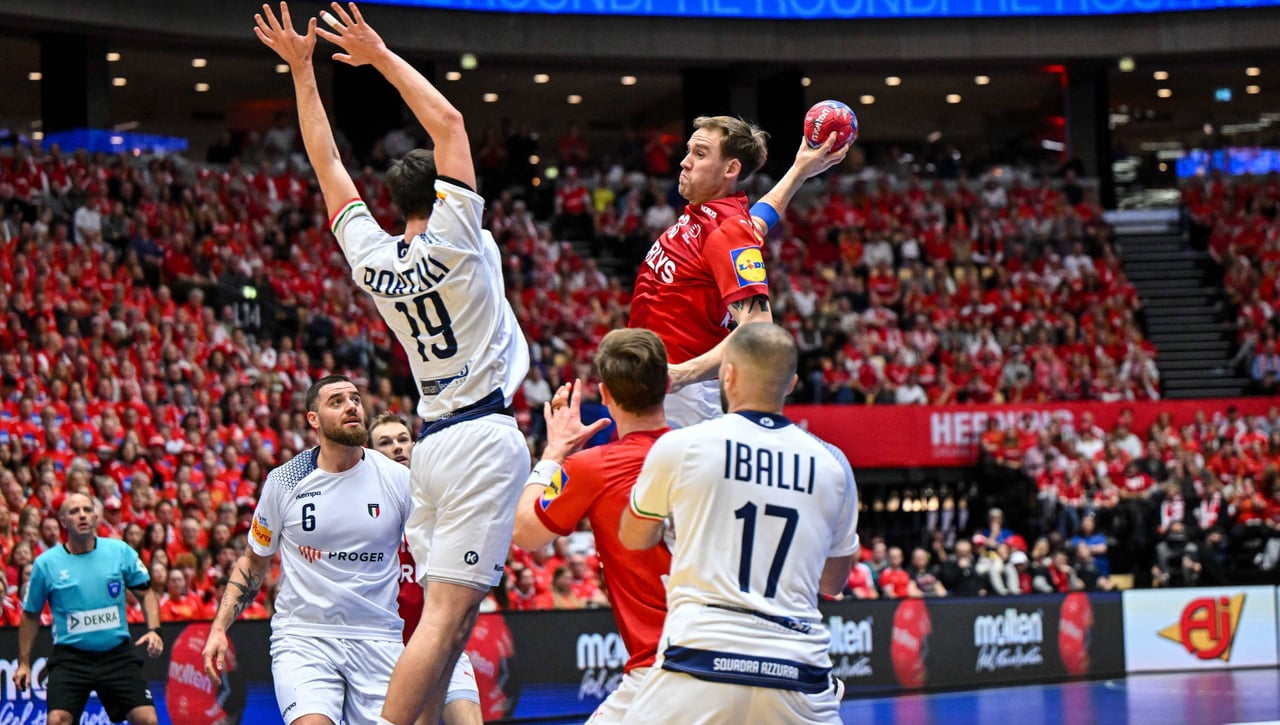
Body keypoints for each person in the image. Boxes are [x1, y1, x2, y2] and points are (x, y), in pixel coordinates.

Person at [255, 5, 531, 722]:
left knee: (452, 625)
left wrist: (302, 71)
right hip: (478, 435)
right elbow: (451, 126)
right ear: (442, 195)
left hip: (431, 440)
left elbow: (327, 163)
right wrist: (377, 54)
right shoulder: (461, 237)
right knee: (442, 623)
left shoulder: (375, 260)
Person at [619, 323, 858, 723]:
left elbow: (635, 536)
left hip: (700, 659)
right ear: (792, 382)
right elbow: (832, 583)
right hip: (798, 669)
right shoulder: (833, 464)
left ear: (726, 375)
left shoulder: (683, 445)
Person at [201, 375, 412, 725]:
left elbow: (428, 553)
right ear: (313, 418)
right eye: (337, 401)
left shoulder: (397, 479)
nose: (351, 407)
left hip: (379, 637)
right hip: (304, 636)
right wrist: (219, 627)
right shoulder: (285, 480)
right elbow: (254, 560)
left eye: (355, 399)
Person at [629, 117, 847, 427]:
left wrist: (681, 375)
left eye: (700, 154)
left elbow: (756, 326)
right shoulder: (713, 219)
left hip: (680, 396)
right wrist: (799, 171)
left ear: (731, 170)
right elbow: (757, 221)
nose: (684, 162)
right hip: (654, 382)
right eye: (689, 151)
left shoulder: (729, 231)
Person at [511, 328, 671, 723]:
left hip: (661, 667)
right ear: (667, 384)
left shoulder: (593, 466)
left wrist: (554, 453)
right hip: (734, 651)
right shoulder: (707, 452)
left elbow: (526, 532)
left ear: (606, 396)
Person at [367, 413, 482, 725]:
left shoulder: (438, 498)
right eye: (385, 443)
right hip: (383, 651)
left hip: (437, 636)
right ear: (369, 453)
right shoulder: (362, 507)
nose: (397, 448)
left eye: (403, 440)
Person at [15, 492, 164, 725]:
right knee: (57, 720)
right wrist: (24, 662)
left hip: (117, 655)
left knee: (147, 719)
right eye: (74, 512)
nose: (82, 515)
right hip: (70, 658)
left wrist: (154, 630)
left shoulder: (120, 552)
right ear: (63, 521)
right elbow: (30, 614)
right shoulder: (45, 564)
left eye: (86, 510)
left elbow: (146, 593)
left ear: (96, 516)